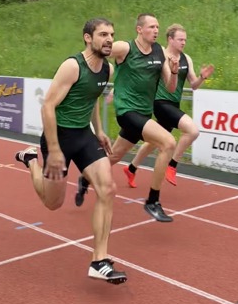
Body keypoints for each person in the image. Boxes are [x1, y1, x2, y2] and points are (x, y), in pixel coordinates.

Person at [15, 18, 127, 285]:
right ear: (88, 38)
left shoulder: (107, 70)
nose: (109, 39)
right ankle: (31, 160)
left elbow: (92, 99)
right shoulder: (72, 66)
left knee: (108, 188)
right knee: (52, 203)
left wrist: (99, 130)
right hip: (60, 138)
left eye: (112, 34)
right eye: (103, 34)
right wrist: (53, 150)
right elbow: (48, 107)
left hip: (84, 136)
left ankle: (99, 261)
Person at [75, 13, 180, 223]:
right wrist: (85, 72)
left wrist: (175, 72)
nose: (156, 30)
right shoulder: (125, 48)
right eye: (151, 27)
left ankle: (85, 178)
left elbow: (170, 87)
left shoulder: (159, 51)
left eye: (158, 27)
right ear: (139, 30)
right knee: (168, 143)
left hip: (143, 113)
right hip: (126, 112)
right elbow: (96, 51)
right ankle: (153, 201)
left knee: (113, 156)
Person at [124, 23, 214, 187]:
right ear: (170, 39)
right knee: (192, 131)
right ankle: (172, 165)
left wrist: (202, 77)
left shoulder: (187, 59)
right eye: (180, 39)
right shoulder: (160, 56)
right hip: (160, 103)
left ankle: (131, 168)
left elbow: (193, 85)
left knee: (153, 142)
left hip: (174, 104)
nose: (183, 42)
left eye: (185, 40)